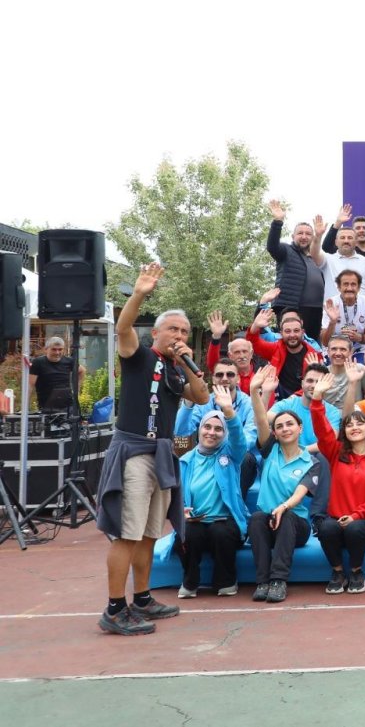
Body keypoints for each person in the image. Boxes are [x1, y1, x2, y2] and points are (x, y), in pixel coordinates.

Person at [96, 263, 210, 635]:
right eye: (173, 329)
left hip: (161, 455)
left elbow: (201, 395)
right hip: (134, 452)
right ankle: (115, 609)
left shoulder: (176, 369)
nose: (179, 335)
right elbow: (122, 328)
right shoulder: (139, 356)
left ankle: (142, 598)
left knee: (148, 533)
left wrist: (187, 363)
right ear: (156, 332)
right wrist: (140, 293)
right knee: (127, 533)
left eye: (184, 331)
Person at [309, 374, 365, 595]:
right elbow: (322, 431)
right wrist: (317, 399)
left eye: (359, 423)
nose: (354, 427)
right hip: (337, 520)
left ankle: (356, 571)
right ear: (344, 431)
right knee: (325, 527)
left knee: (355, 528)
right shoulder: (336, 453)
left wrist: (356, 516)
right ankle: (338, 572)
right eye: (349, 425)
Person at [247, 372, 318, 604]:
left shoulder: (311, 461)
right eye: (279, 426)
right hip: (268, 521)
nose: (285, 429)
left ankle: (278, 580)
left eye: (290, 424)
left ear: (300, 428)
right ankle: (262, 582)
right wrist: (255, 391)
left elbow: (301, 493)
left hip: (296, 525)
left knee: (286, 516)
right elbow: (260, 420)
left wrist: (283, 507)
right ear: (275, 433)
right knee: (256, 518)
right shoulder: (270, 451)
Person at [176, 396, 250, 599]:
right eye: (207, 427)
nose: (211, 432)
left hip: (225, 521)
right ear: (199, 429)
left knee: (220, 532)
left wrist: (229, 413)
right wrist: (182, 511)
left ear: (224, 434)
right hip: (197, 522)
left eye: (218, 429)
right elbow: (175, 497)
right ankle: (189, 582)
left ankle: (226, 581)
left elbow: (239, 439)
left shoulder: (232, 455)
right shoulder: (185, 460)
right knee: (188, 532)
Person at [265, 201, 326, 337]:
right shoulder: (287, 251)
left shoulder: (314, 258)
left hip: (315, 311)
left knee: (312, 345)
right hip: (292, 308)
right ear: (293, 237)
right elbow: (272, 246)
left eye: (308, 234)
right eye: (300, 233)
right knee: (291, 343)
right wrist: (277, 222)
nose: (304, 237)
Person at [246, 309, 322, 399]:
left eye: (296, 331)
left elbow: (317, 385)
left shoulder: (314, 355)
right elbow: (253, 343)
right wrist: (255, 326)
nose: (292, 335)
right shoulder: (276, 348)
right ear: (281, 333)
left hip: (302, 399)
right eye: (287, 331)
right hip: (277, 397)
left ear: (302, 332)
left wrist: (291, 400)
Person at [320, 269, 365, 357]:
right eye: (345, 284)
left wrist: (360, 337)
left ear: (359, 287)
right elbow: (325, 342)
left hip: (359, 350)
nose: (349, 288)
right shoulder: (331, 304)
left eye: (353, 284)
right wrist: (332, 322)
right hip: (335, 349)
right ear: (339, 287)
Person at [319, 225, 365, 305]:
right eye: (342, 238)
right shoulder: (327, 259)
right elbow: (314, 253)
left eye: (350, 238)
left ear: (356, 242)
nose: (346, 241)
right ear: (336, 242)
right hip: (334, 310)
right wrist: (317, 236)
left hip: (363, 309)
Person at [28, 336, 85, 411]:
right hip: (46, 407)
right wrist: (25, 407)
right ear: (46, 349)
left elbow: (82, 371)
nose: (57, 352)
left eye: (60, 349)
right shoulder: (38, 362)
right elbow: (30, 385)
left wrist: (76, 390)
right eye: (54, 349)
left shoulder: (69, 361)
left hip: (68, 406)